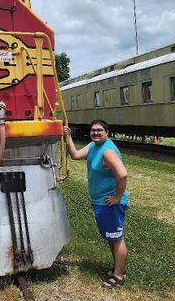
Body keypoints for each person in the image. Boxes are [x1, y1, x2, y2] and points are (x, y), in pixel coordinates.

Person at [63, 120, 128, 288]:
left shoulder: (107, 152)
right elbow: (76, 155)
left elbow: (122, 174)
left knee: (117, 238)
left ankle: (119, 276)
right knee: (111, 237)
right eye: (93, 130)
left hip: (110, 204)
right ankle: (117, 268)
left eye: (99, 130)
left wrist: (117, 197)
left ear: (107, 132)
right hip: (101, 202)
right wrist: (68, 137)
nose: (96, 133)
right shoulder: (93, 146)